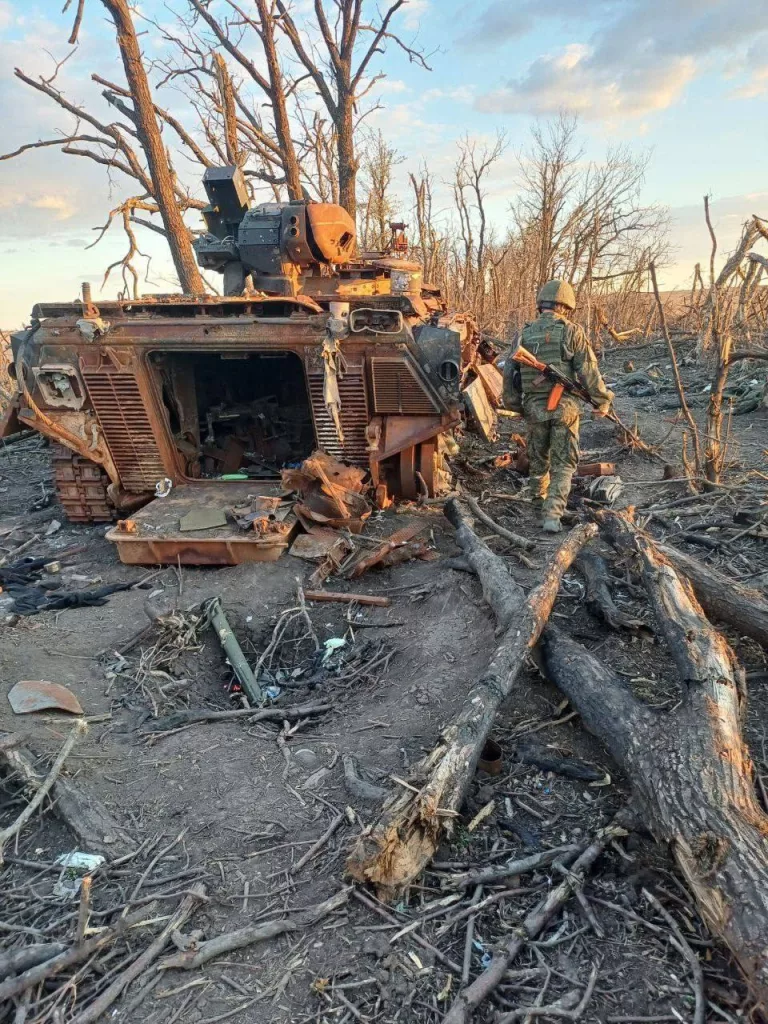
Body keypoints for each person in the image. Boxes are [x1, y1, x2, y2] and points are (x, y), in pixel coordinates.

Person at [503, 279, 613, 534]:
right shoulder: (572, 331)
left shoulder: (524, 334)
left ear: (541, 304)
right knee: (564, 463)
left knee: (538, 461)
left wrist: (515, 405)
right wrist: (602, 400)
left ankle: (540, 511)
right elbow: (589, 372)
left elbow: (510, 375)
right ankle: (553, 514)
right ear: (567, 306)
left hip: (533, 407)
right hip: (565, 409)